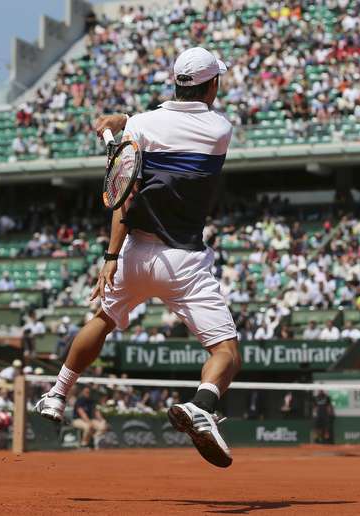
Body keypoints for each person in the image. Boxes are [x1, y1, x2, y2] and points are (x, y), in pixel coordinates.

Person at [36, 47, 241, 468]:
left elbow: (124, 195)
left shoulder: (142, 127)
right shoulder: (220, 130)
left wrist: (110, 256)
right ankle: (203, 405)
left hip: (133, 254)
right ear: (212, 85)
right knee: (226, 352)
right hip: (183, 261)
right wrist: (124, 122)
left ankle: (57, 394)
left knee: (102, 321)